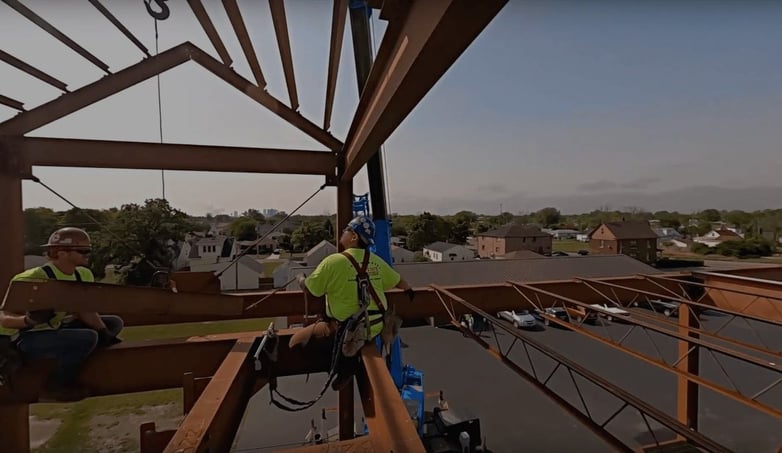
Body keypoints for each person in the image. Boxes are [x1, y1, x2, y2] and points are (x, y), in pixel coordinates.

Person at [289, 216, 414, 391]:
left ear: (354, 237)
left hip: (346, 329)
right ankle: (346, 361)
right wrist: (408, 289)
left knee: (295, 342)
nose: (343, 232)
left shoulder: (333, 262)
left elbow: (312, 289)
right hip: (374, 327)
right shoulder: (376, 261)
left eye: (347, 229)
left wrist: (300, 278)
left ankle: (342, 365)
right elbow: (398, 280)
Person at [0, 227, 123, 401]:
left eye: (88, 250)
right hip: (27, 338)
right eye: (82, 251)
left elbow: (85, 310)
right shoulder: (31, 278)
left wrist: (104, 333)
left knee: (113, 324)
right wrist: (29, 320)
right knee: (87, 338)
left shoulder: (83, 274)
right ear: (61, 253)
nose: (87, 254)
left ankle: (75, 353)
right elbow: (4, 319)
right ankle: (56, 386)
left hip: (55, 328)